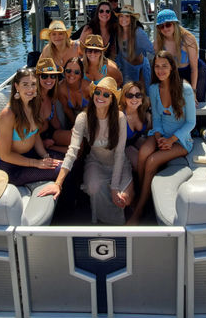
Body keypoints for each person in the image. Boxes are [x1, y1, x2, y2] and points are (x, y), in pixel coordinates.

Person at [37, 77, 134, 225]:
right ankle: (100, 222)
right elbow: (72, 151)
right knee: (94, 187)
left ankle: (118, 222)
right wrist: (58, 183)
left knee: (124, 199)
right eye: (98, 92)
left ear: (113, 99)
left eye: (106, 95)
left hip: (117, 163)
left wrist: (114, 187)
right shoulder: (83, 118)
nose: (101, 97)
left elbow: (120, 154)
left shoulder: (120, 118)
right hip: (96, 163)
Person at [127, 51, 196, 225]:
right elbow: (157, 120)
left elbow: (190, 123)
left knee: (151, 161)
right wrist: (158, 136)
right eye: (157, 66)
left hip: (180, 140)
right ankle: (145, 195)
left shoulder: (185, 89)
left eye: (164, 66)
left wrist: (171, 140)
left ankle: (141, 207)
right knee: (143, 152)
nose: (160, 70)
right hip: (160, 134)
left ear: (172, 67)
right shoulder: (153, 89)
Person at [0, 68, 62, 186]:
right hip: (13, 168)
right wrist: (36, 163)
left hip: (33, 154)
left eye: (33, 84)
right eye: (25, 84)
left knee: (68, 162)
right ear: (16, 86)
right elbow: (5, 155)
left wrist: (45, 156)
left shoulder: (33, 105)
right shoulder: (8, 114)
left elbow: (35, 135)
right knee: (62, 169)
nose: (30, 89)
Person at [154, 9, 206, 102]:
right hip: (176, 74)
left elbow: (194, 68)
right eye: (161, 26)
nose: (165, 29)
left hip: (196, 72)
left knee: (195, 102)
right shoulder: (158, 43)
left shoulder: (188, 39)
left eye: (168, 24)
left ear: (175, 24)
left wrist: (193, 91)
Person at [115, 5, 154, 94]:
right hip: (125, 67)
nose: (123, 19)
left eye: (127, 16)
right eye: (121, 16)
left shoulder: (138, 33)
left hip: (140, 69)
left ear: (132, 18)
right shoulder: (119, 31)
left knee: (142, 94)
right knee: (128, 95)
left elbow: (152, 50)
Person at [36, 58, 71, 153]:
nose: (49, 79)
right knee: (74, 154)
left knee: (78, 142)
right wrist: (42, 143)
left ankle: (51, 148)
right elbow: (27, 131)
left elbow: (55, 121)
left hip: (50, 133)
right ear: (38, 77)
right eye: (44, 76)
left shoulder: (52, 97)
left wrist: (65, 133)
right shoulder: (32, 98)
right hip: (34, 139)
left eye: (53, 76)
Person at [119, 81, 151, 170]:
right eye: (130, 95)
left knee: (152, 156)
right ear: (124, 98)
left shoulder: (144, 108)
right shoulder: (120, 115)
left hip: (137, 139)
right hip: (123, 146)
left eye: (138, 95)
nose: (134, 99)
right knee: (139, 163)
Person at [58, 57, 90, 127]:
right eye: (68, 71)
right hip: (72, 119)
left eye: (76, 72)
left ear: (81, 74)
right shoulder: (61, 88)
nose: (72, 74)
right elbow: (66, 108)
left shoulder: (88, 87)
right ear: (64, 72)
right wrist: (75, 125)